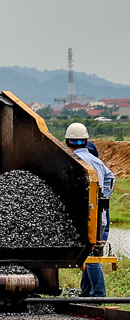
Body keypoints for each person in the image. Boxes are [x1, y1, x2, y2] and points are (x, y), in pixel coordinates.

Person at [66, 122, 115, 297]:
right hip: (98, 216)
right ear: (86, 142)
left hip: (81, 218)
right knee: (90, 252)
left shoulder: (70, 161)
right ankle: (86, 292)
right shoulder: (97, 162)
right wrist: (103, 200)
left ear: (66, 142)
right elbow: (111, 178)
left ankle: (99, 294)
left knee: (90, 254)